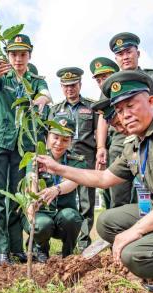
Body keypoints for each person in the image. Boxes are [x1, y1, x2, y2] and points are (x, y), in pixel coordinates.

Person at [37, 70, 153, 293]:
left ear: (151, 101)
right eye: (119, 110)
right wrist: (57, 168)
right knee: (108, 221)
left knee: (135, 254)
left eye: (131, 106)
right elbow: (103, 179)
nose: (125, 115)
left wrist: (136, 230)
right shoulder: (135, 143)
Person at [0, 34, 51, 265]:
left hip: (23, 146)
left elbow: (46, 96)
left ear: (29, 55)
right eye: (13, 54)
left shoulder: (36, 80)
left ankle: (17, 248)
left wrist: (35, 101)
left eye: (22, 54)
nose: (18, 59)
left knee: (18, 195)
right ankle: (1, 250)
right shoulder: (3, 77)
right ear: (8, 56)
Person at [22, 116, 84, 263]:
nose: (59, 143)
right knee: (42, 225)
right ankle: (41, 249)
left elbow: (74, 181)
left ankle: (68, 254)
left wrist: (56, 189)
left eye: (65, 140)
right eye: (55, 137)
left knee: (72, 218)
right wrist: (32, 199)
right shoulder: (36, 159)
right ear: (47, 136)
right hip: (42, 214)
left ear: (71, 141)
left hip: (63, 215)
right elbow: (32, 180)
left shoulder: (76, 160)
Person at [50, 67, 97, 251]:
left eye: (73, 85)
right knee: (65, 198)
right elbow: (50, 135)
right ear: (61, 87)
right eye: (65, 86)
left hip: (85, 159)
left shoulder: (91, 107)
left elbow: (98, 131)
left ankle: (84, 243)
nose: (69, 89)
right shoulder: (55, 111)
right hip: (63, 160)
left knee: (86, 202)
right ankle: (66, 237)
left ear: (80, 85)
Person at [90, 57, 133, 209]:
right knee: (113, 193)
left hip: (129, 140)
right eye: (99, 80)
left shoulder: (127, 87)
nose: (102, 83)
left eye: (105, 78)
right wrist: (101, 147)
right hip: (114, 145)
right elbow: (103, 118)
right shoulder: (104, 94)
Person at [109, 32, 153, 101]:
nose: (125, 57)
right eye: (120, 54)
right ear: (116, 59)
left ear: (138, 54)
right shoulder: (112, 83)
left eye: (129, 52)